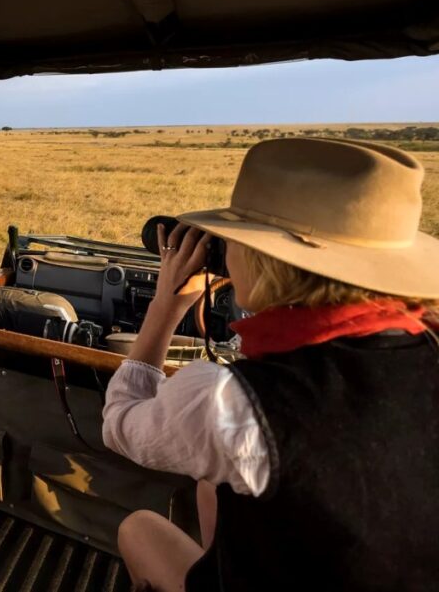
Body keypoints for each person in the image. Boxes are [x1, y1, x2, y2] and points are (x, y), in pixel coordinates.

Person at [101, 138, 439, 591]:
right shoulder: (428, 343)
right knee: (210, 486)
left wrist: (167, 306)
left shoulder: (237, 403)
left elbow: (120, 421)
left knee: (139, 528)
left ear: (264, 260)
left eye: (236, 240)